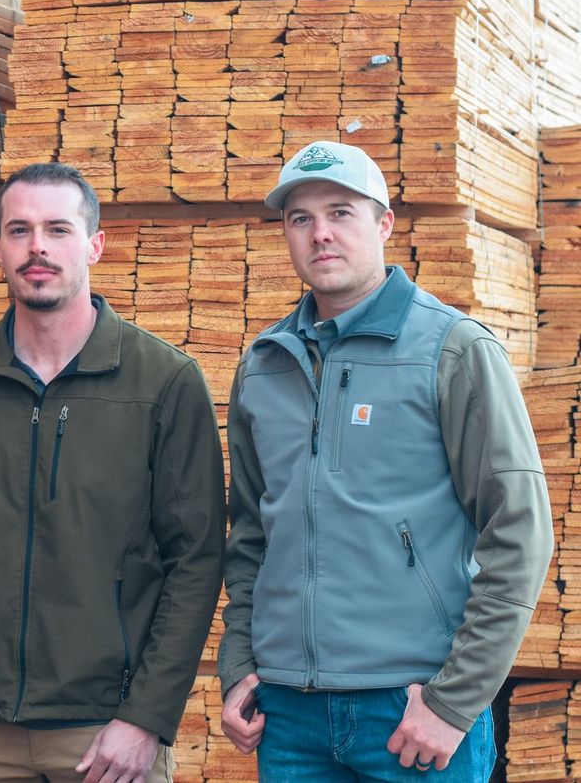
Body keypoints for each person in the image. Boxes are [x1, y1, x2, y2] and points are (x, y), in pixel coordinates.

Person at [218, 141, 554, 780]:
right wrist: (238, 666)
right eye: (300, 218)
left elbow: (520, 534)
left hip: (411, 712)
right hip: (289, 719)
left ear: (384, 224)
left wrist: (453, 704)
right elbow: (251, 535)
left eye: (341, 212)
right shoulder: (264, 366)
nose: (320, 234)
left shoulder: (453, 351)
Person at [0, 162, 226, 783]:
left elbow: (196, 560)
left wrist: (147, 717)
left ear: (95, 244)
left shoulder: (166, 384)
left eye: (57, 229)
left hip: (107, 737)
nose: (37, 247)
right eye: (19, 230)